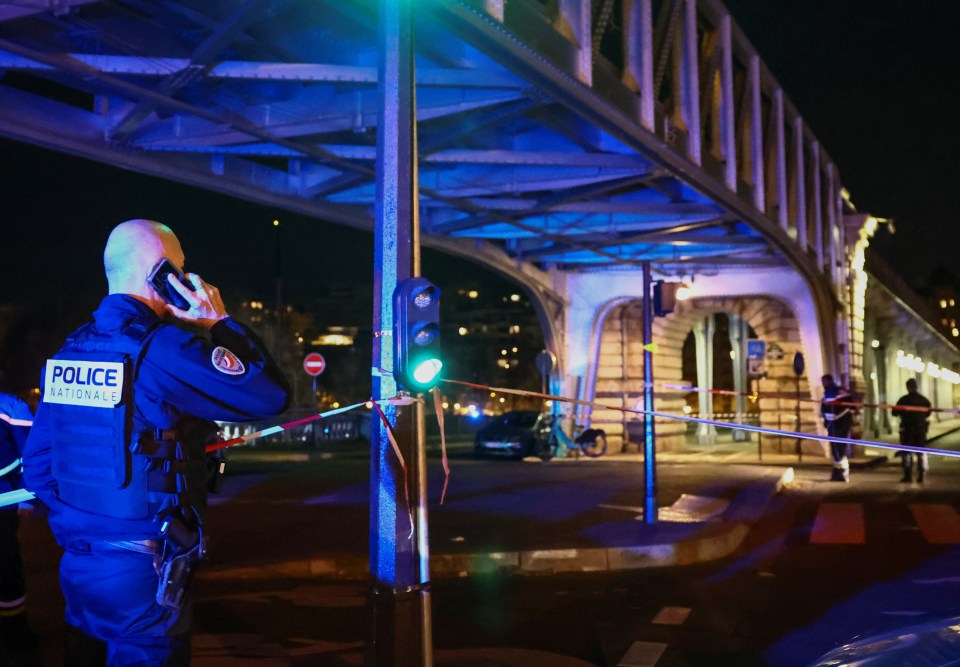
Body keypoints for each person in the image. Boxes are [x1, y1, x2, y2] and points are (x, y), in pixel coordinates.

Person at [22, 219, 290, 665]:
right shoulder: (159, 348)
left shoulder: (70, 350)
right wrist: (218, 321)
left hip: (78, 565)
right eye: (181, 271)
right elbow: (268, 394)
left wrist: (92, 522)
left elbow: (39, 467)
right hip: (145, 574)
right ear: (161, 273)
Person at [0, 393, 40, 650]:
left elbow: (32, 453)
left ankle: (15, 630)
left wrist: (26, 496)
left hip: (3, 500)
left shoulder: (12, 407)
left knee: (5, 563)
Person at [894, 378, 932, 483]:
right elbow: (929, 412)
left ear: (908, 387)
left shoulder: (903, 400)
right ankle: (922, 474)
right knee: (921, 452)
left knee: (906, 452)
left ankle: (908, 475)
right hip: (920, 429)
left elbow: (894, 412)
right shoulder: (924, 400)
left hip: (907, 429)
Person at [821, 374, 854, 482]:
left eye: (824, 382)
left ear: (830, 381)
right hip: (834, 425)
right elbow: (825, 410)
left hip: (840, 424)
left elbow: (850, 407)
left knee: (839, 448)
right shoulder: (829, 393)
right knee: (837, 449)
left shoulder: (837, 392)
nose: (823, 384)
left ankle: (842, 472)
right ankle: (838, 472)